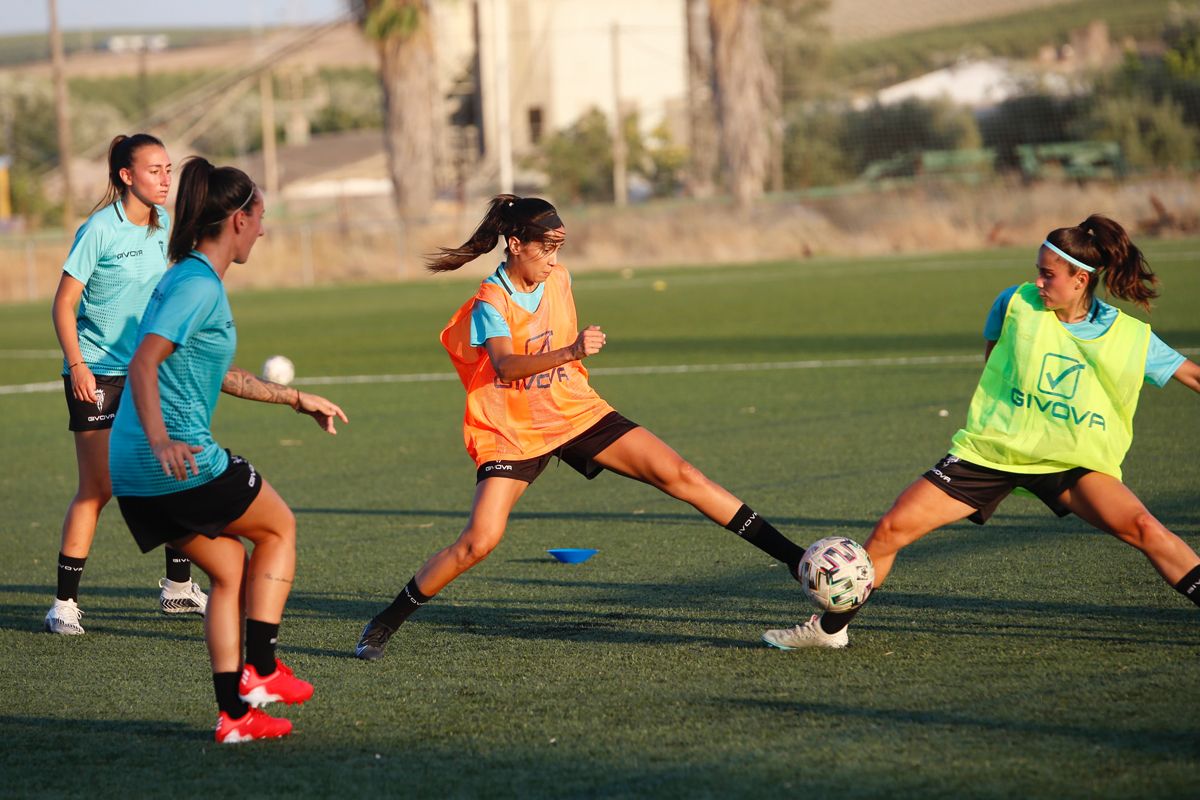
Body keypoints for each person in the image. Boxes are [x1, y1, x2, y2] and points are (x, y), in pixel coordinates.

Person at [355, 194, 806, 660]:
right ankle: (385, 621)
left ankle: (796, 560)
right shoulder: (491, 300)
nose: (554, 260)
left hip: (572, 410)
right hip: (511, 427)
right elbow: (507, 366)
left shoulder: (560, 278)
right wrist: (572, 351)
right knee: (478, 542)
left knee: (683, 476)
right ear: (514, 244)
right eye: (545, 249)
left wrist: (569, 362)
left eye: (559, 249)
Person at [763, 214, 1200, 649]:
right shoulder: (1014, 303)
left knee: (1145, 527)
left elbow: (1193, 376)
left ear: (1080, 280)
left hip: (1070, 461)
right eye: (1038, 271)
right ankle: (829, 630)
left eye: (1048, 275)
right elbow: (995, 360)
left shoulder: (1129, 336)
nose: (1039, 282)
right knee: (893, 528)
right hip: (991, 453)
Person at [109, 157, 348, 743]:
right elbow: (143, 362)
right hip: (176, 460)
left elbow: (218, 373)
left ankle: (235, 717)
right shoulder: (196, 285)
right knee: (280, 528)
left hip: (133, 475)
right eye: (260, 215)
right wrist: (163, 437)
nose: (263, 230)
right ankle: (263, 670)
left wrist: (294, 399)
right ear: (238, 219)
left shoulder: (186, 278)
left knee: (230, 568)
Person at [47, 134, 207, 636]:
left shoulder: (166, 230)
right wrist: (77, 366)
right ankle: (64, 605)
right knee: (98, 489)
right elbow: (63, 304)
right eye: (154, 169)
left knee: (176, 474)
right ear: (126, 176)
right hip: (99, 375)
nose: (165, 178)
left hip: (151, 375)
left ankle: (178, 590)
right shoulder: (99, 229)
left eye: (168, 168)